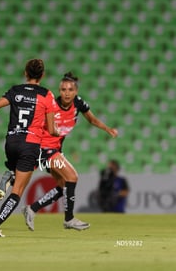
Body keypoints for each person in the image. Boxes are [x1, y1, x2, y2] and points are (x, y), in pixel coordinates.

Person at [10, 72, 118, 231]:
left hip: (55, 149)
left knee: (63, 186)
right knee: (72, 176)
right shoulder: (51, 105)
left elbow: (92, 119)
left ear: (76, 91)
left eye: (70, 90)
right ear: (59, 91)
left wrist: (107, 129)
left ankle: (31, 209)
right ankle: (69, 219)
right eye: (63, 89)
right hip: (44, 148)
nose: (66, 93)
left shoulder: (78, 104)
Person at [0, 58, 59, 237]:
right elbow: (51, 129)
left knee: (15, 168)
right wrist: (59, 130)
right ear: (42, 75)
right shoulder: (46, 95)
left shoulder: (15, 90)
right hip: (30, 145)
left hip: (11, 143)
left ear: (26, 73)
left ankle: (10, 172)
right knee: (17, 192)